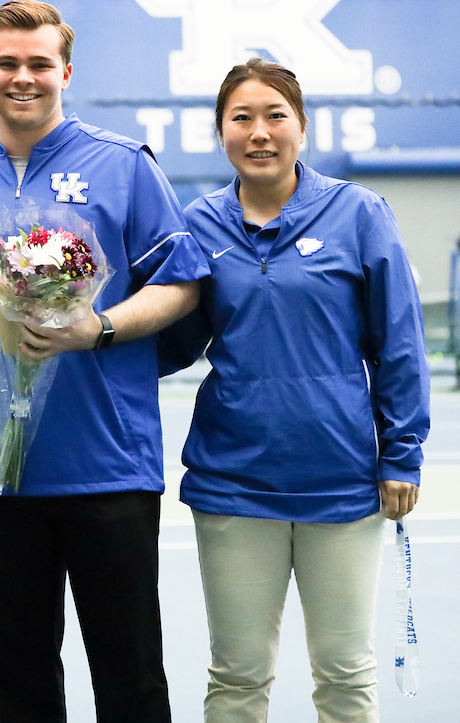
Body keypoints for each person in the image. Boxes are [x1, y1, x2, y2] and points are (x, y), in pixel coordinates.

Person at [0, 0, 209, 722]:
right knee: (18, 683)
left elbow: (182, 284)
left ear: (65, 73)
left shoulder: (125, 166)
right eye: (8, 63)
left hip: (108, 466)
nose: (24, 78)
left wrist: (96, 326)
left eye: (39, 64)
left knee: (131, 676)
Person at [157, 58, 430, 723]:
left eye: (274, 116)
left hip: (340, 482)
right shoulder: (199, 223)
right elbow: (175, 340)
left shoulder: (358, 212)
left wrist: (401, 453)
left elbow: (397, 341)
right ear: (220, 133)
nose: (259, 132)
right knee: (238, 675)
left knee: (343, 673)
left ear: (301, 128)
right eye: (241, 118)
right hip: (233, 483)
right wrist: (75, 322)